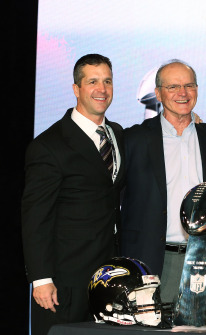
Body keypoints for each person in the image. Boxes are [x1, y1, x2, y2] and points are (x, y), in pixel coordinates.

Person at [21, 54, 124, 335]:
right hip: (63, 283)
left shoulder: (116, 134)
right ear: (76, 89)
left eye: (107, 81)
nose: (101, 89)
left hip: (107, 280)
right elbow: (35, 219)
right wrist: (41, 280)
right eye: (92, 82)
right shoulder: (49, 146)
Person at [120, 59, 206, 304]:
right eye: (173, 87)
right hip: (149, 262)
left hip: (205, 262)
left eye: (189, 85)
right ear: (158, 94)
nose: (182, 93)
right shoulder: (132, 140)